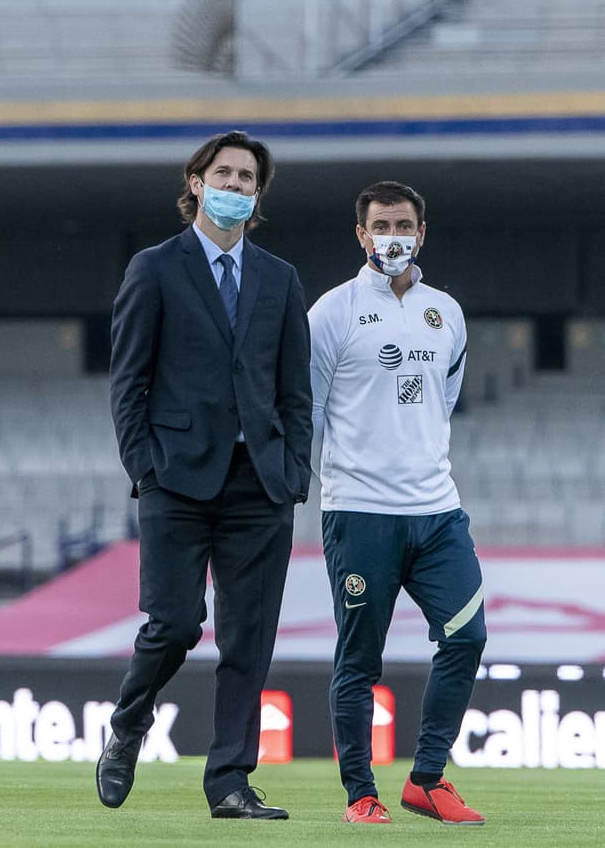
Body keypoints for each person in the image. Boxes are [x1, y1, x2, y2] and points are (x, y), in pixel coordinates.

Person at [97, 130, 312, 820]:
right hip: (177, 480)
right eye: (225, 173)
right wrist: (145, 468)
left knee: (248, 640)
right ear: (195, 182)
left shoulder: (280, 279)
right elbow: (127, 381)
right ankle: (130, 721)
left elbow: (295, 390)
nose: (236, 186)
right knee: (176, 622)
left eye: (248, 179)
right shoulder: (154, 269)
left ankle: (229, 783)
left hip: (261, 484)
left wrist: (294, 470)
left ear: (258, 194)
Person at [308, 181, 486, 826]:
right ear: (360, 235)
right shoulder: (332, 312)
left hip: (438, 510)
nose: (392, 236)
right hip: (360, 514)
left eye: (403, 224)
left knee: (468, 635)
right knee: (360, 659)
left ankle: (428, 781)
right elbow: (308, 411)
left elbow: (443, 399)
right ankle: (362, 794)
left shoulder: (448, 313)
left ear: (421, 232)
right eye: (380, 225)